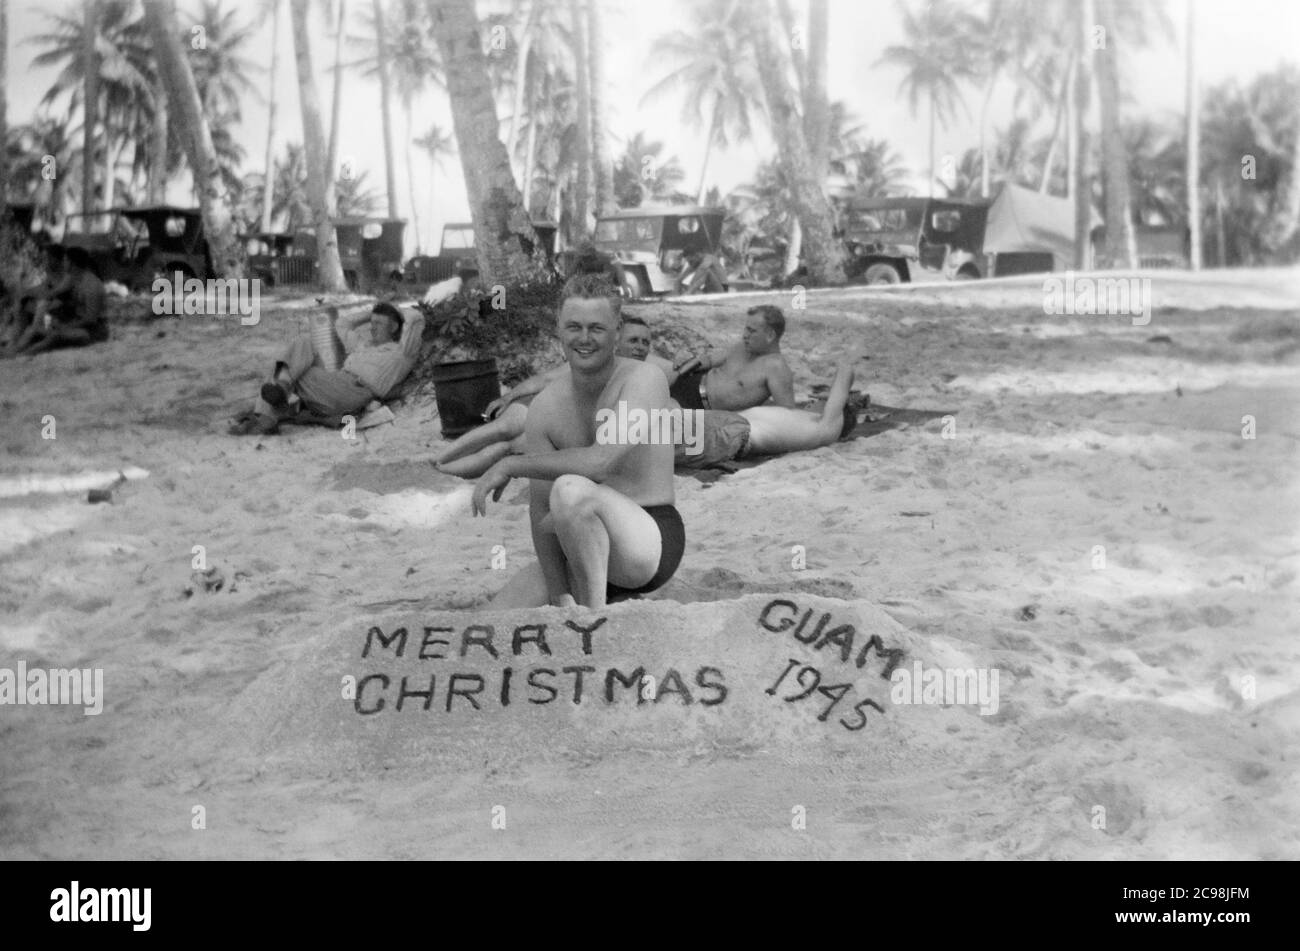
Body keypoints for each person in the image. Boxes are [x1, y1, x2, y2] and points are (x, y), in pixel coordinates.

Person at [471, 274, 683, 610]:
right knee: (490, 619)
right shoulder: (545, 406)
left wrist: (511, 463)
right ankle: (579, 607)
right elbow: (540, 510)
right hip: (580, 552)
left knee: (569, 490)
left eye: (596, 328)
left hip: (646, 543)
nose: (584, 339)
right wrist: (558, 596)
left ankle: (593, 620)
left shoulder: (644, 379)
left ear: (617, 330)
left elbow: (601, 461)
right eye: (574, 327)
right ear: (558, 328)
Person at [435, 316, 674, 478]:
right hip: (544, 404)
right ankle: (440, 458)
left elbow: (674, 374)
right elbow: (546, 379)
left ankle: (445, 471)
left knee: (506, 448)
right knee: (505, 427)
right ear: (616, 341)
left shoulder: (646, 373)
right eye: (634, 340)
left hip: (566, 427)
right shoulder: (599, 361)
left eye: (645, 342)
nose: (641, 347)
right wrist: (509, 397)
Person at [229, 301, 424, 435]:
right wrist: (372, 312)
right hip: (336, 384)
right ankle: (277, 394)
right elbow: (342, 323)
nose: (373, 327)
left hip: (355, 391)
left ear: (395, 328)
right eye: (372, 323)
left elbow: (415, 318)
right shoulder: (363, 345)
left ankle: (271, 405)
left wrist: (393, 309)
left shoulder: (401, 353)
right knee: (304, 343)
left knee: (292, 368)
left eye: (379, 323)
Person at [677, 353, 863, 469]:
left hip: (731, 432)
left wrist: (849, 356)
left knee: (658, 435)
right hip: (727, 425)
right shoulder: (807, 423)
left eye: (822, 400)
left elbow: (846, 372)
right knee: (658, 428)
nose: (810, 404)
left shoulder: (829, 428)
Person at [668, 304, 796, 411]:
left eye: (752, 331)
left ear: (770, 335)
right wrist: (680, 371)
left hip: (699, 407)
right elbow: (709, 360)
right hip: (688, 381)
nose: (745, 335)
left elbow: (787, 414)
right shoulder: (742, 347)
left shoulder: (776, 367)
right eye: (746, 328)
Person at [7, 247, 107, 356]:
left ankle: (24, 353)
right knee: (38, 325)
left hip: (93, 332)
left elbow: (91, 319)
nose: (63, 263)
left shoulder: (92, 285)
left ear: (71, 263)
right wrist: (24, 295)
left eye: (65, 260)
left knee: (55, 335)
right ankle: (14, 348)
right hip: (75, 322)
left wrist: (66, 326)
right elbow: (52, 293)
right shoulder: (73, 279)